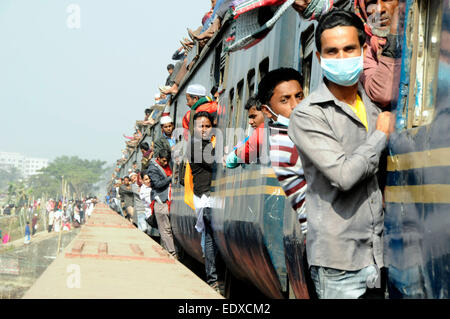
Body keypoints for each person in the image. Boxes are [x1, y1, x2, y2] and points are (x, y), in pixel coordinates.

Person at [288, 9, 394, 299]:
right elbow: (344, 176)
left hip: (377, 255)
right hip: (339, 263)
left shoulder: (372, 108)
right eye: (332, 52)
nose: (342, 57)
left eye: (349, 49)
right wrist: (381, 136)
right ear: (320, 59)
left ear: (362, 50)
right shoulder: (308, 115)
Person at [256, 68, 308, 234]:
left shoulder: (297, 134)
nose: (296, 106)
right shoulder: (285, 146)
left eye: (299, 96)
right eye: (285, 100)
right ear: (266, 110)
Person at [187, 111, 221, 292]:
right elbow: (212, 163)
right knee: (209, 240)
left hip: (211, 196)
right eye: (201, 126)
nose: (205, 129)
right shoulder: (195, 146)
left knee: (210, 239)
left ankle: (213, 278)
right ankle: (212, 279)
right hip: (205, 197)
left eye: (208, 126)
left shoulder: (206, 144)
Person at [147, 149, 177, 258]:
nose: (165, 163)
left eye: (167, 161)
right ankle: (172, 253)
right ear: (158, 158)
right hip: (161, 201)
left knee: (169, 228)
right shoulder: (152, 168)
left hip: (168, 200)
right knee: (165, 229)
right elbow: (158, 184)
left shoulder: (167, 165)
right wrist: (170, 178)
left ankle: (170, 251)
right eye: (164, 161)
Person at [226, 96, 265, 168]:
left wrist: (236, 153)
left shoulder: (261, 133)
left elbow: (246, 153)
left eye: (253, 116)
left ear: (266, 111)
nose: (250, 122)